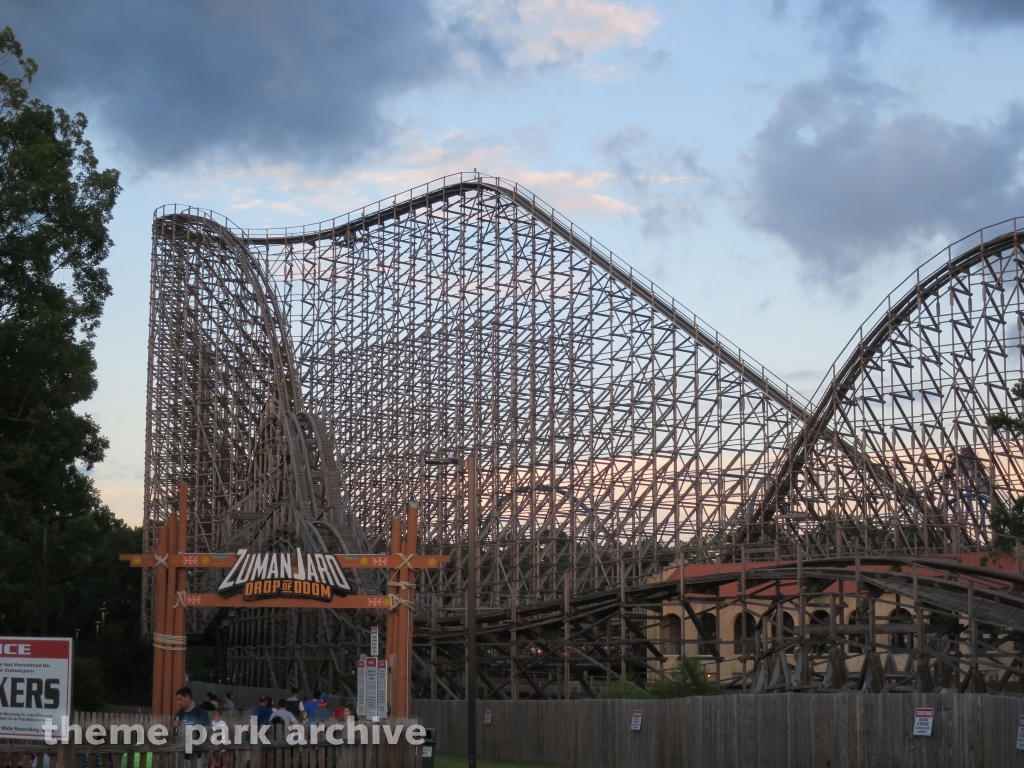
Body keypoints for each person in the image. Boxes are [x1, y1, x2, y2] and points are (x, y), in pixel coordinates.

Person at [172, 687, 212, 761]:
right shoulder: (178, 714)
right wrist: (174, 726)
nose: (178, 702)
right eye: (177, 700)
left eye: (180, 699)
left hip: (199, 755)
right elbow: (175, 735)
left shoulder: (201, 712)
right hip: (182, 756)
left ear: (187, 697)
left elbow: (209, 732)